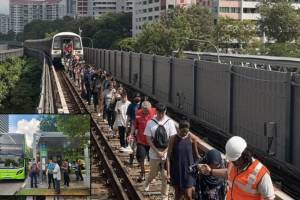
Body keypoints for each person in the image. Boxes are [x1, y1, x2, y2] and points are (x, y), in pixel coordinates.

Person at [199, 136, 275, 200]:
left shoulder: (261, 174)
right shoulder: (234, 164)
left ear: (244, 156)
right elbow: (228, 173)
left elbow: (269, 198)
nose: (232, 163)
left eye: (234, 161)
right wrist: (211, 171)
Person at [144, 103, 177, 200]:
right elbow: (148, 139)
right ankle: (147, 181)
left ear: (165, 112)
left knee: (165, 176)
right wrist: (157, 151)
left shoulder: (170, 122)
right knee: (153, 173)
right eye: (159, 113)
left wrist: (165, 151)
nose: (161, 115)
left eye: (163, 113)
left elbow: (172, 139)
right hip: (154, 153)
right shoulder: (151, 122)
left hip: (166, 154)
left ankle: (164, 196)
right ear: (156, 112)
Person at [167, 119, 202, 200]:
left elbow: (196, 140)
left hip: (189, 170)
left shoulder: (190, 136)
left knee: (188, 195)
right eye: (183, 131)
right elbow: (168, 157)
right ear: (179, 129)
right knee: (178, 195)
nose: (184, 133)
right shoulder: (173, 138)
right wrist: (168, 174)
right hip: (177, 169)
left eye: (186, 131)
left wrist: (197, 155)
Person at [134, 101, 156, 181]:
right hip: (141, 140)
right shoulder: (138, 113)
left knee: (152, 159)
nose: (146, 112)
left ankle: (152, 175)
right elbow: (135, 125)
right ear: (142, 109)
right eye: (145, 110)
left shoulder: (154, 111)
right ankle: (142, 172)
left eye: (148, 110)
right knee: (140, 157)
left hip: (151, 141)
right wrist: (131, 134)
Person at [126, 93, 142, 164]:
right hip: (132, 126)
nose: (137, 98)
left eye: (138, 97)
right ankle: (131, 159)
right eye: (136, 96)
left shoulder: (142, 106)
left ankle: (139, 160)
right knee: (132, 144)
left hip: (140, 128)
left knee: (139, 144)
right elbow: (128, 117)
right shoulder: (131, 105)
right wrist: (126, 126)